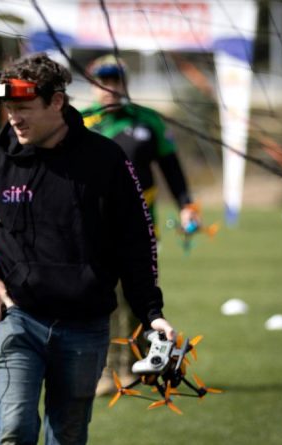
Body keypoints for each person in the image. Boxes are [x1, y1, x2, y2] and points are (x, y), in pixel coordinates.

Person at [0, 54, 176, 445]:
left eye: (23, 107)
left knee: (68, 435)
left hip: (85, 324)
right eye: (8, 108)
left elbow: (136, 242)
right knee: (14, 429)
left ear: (57, 102)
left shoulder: (106, 159)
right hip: (17, 317)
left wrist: (152, 313)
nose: (14, 118)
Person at [80, 54, 197, 394]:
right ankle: (107, 370)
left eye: (116, 79)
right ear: (91, 84)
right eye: (103, 80)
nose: (110, 87)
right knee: (103, 299)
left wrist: (187, 204)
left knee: (136, 299)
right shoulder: (80, 122)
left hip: (141, 227)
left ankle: (134, 365)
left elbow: (172, 168)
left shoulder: (149, 122)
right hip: (92, 229)